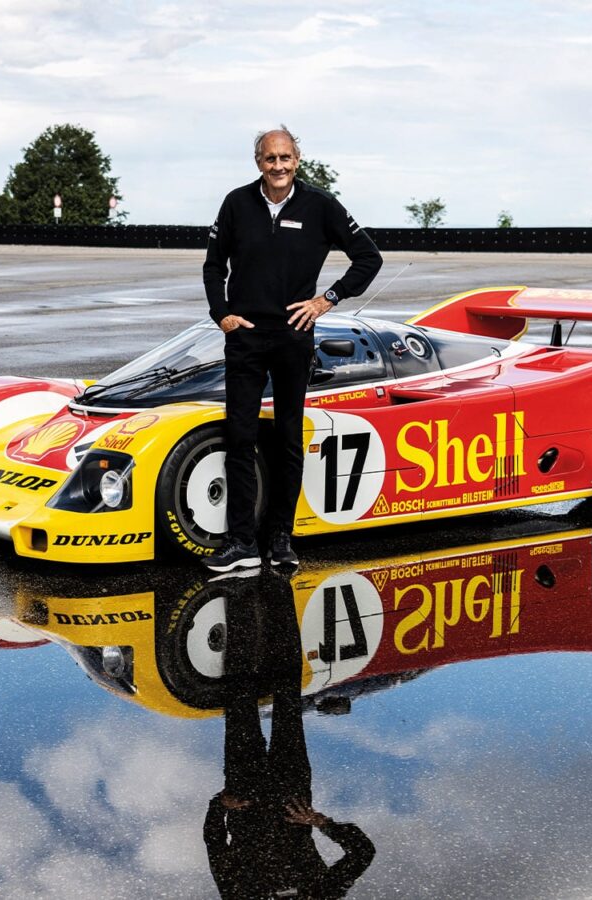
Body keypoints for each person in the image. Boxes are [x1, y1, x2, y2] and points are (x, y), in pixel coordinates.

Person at [202, 126, 382, 571]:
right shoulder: (236, 203)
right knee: (240, 438)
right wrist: (221, 313)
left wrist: (327, 300)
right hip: (243, 337)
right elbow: (212, 265)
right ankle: (242, 540)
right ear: (258, 162)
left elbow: (369, 257)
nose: (278, 166)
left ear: (297, 160)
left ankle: (281, 537)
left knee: (286, 438)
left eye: (285, 158)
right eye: (269, 159)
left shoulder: (320, 205)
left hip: (292, 336)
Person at [203, 569, 375, 898]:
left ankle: (239, 592)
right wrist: (323, 824)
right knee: (286, 691)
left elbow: (215, 844)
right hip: (290, 788)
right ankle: (280, 587)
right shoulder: (319, 896)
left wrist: (220, 805)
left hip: (245, 787)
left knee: (240, 689)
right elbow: (362, 853)